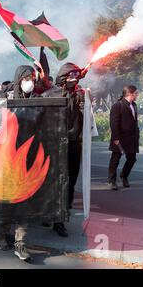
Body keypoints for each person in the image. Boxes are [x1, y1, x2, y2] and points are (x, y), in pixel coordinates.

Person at [0, 65, 40, 263]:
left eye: (32, 78)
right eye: (27, 78)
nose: (30, 81)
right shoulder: (4, 99)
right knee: (7, 203)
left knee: (24, 204)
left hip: (27, 160)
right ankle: (2, 234)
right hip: (7, 161)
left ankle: (20, 243)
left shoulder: (37, 99)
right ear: (19, 79)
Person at [43, 63, 86, 238]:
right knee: (53, 181)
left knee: (70, 181)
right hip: (54, 144)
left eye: (76, 76)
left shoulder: (80, 94)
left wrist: (83, 100)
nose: (73, 79)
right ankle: (49, 213)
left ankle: (60, 218)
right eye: (70, 76)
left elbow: (85, 116)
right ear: (62, 77)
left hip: (74, 143)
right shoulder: (49, 94)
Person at [108, 85, 140, 190]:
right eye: (136, 93)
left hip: (132, 138)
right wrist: (116, 138)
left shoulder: (134, 105)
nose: (137, 95)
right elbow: (113, 123)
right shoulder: (118, 105)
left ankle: (124, 176)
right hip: (120, 138)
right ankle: (112, 181)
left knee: (132, 159)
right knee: (115, 159)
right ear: (130, 93)